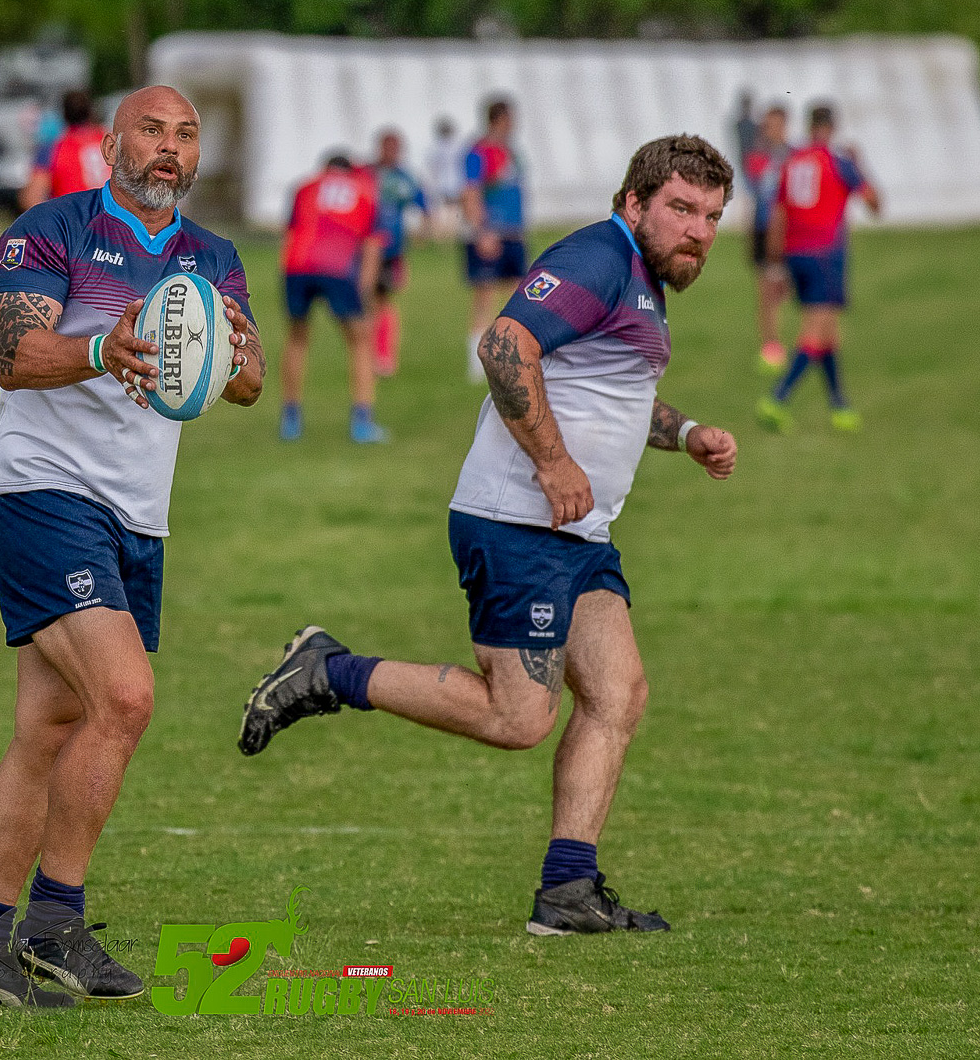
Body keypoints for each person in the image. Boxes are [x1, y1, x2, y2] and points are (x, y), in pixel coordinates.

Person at [240, 135, 740, 937]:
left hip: (578, 534)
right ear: (634, 202)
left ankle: (568, 891)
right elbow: (505, 345)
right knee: (520, 718)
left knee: (618, 694)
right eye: (682, 209)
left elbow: (610, 396)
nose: (699, 231)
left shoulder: (641, 281)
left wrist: (687, 435)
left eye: (713, 216)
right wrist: (551, 462)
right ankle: (332, 670)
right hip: (518, 523)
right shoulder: (598, 259)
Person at [0, 84, 264, 1008]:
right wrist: (100, 349)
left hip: (136, 516)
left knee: (49, 731)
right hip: (42, 493)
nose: (169, 148)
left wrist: (232, 355)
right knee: (124, 697)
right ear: (112, 143)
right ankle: (52, 924)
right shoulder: (49, 232)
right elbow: (17, 356)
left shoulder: (212, 257)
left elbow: (245, 384)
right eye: (152, 130)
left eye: (186, 135)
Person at [757, 104, 881, 434]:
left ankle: (840, 405)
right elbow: (874, 204)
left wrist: (775, 263)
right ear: (833, 126)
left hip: (794, 254)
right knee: (815, 330)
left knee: (829, 333)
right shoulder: (839, 162)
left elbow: (779, 212)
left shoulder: (792, 161)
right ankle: (777, 398)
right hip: (825, 253)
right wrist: (860, 165)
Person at [278, 153, 385, 443]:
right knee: (359, 340)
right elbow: (373, 246)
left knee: (297, 338)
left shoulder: (304, 187)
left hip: (297, 266)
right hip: (337, 266)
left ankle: (291, 420)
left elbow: (289, 234)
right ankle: (362, 422)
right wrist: (364, 290)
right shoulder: (365, 190)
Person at [462, 98, 529, 383]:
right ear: (498, 119)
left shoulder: (512, 151)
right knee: (485, 298)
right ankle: (477, 361)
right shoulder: (479, 152)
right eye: (510, 118)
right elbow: (470, 192)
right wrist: (481, 231)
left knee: (520, 295)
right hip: (491, 234)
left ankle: (512, 353)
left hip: (513, 233)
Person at [368, 129, 430, 378]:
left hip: (392, 250)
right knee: (367, 301)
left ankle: (384, 355)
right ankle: (372, 353)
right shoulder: (368, 174)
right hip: (368, 248)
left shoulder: (406, 177)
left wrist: (424, 231)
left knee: (384, 302)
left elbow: (424, 204)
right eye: (387, 146)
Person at [744, 105, 792, 374]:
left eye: (774, 124)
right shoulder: (758, 158)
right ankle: (771, 345)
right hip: (765, 229)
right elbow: (757, 197)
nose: (769, 130)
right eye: (767, 125)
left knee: (785, 287)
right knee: (766, 289)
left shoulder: (794, 155)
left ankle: (804, 342)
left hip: (790, 231)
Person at [19, 90, 108, 210]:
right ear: (91, 112)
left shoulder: (54, 148)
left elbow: (32, 197)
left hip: (76, 218)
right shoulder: (110, 140)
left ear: (64, 114)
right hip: (110, 218)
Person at [425, 117, 466, 242]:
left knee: (446, 210)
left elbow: (432, 167)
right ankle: (449, 236)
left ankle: (443, 238)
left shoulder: (436, 147)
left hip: (443, 184)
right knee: (453, 211)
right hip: (455, 183)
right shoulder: (458, 146)